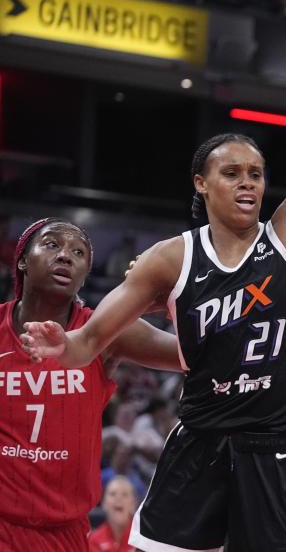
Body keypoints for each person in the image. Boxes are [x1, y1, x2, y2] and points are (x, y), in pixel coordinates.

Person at [22, 0, 286, 552]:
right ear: (202, 182)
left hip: (276, 448)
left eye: (256, 174)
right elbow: (89, 342)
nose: (249, 183)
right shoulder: (172, 258)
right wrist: (64, 346)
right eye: (232, 173)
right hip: (198, 440)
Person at [1, 217, 181, 549]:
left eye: (78, 252)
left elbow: (193, 357)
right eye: (53, 245)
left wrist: (175, 305)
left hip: (65, 532)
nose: (66, 256)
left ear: (85, 275)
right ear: (23, 259)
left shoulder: (104, 332)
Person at [88, 475, 138, 552]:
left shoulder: (142, 541)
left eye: (125, 494)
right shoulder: (94, 540)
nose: (118, 498)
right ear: (104, 503)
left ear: (133, 504)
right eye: (113, 494)